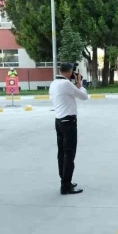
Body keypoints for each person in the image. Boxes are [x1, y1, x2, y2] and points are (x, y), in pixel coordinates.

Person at [49, 63, 89, 195]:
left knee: (61, 153)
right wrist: (80, 84)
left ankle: (64, 180)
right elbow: (84, 96)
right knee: (69, 154)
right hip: (69, 122)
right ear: (70, 72)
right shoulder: (66, 84)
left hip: (59, 121)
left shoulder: (54, 83)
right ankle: (66, 186)